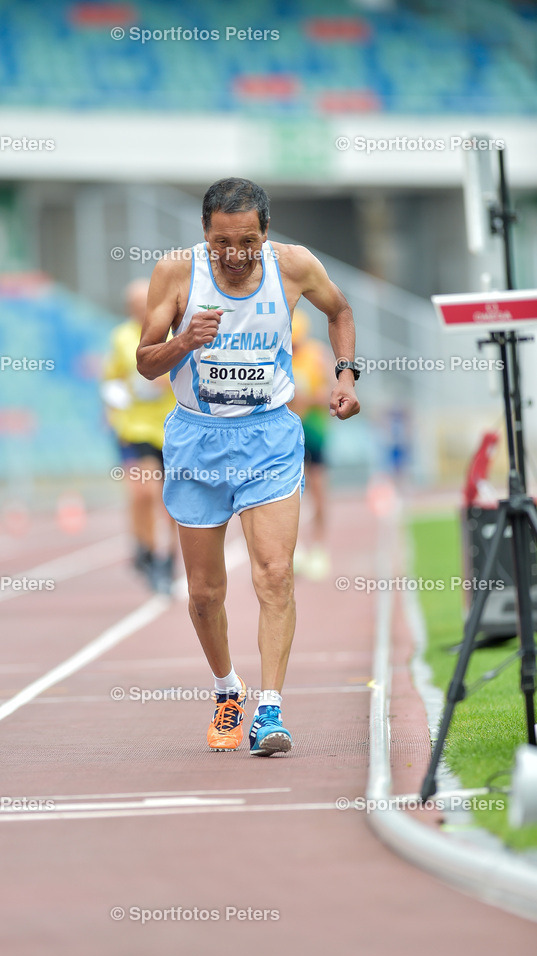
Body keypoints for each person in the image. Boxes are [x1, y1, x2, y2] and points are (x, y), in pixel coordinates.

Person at [136, 178, 359, 755]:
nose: (234, 255)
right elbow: (143, 364)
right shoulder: (176, 273)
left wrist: (346, 375)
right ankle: (226, 692)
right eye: (220, 243)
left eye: (246, 242)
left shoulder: (295, 266)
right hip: (196, 441)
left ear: (266, 232)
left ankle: (270, 711)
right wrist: (184, 341)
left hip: (269, 438)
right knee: (205, 593)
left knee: (274, 576)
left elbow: (341, 311)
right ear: (204, 234)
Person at [101, 279, 177, 594]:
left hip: (172, 426)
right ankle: (148, 551)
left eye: (142, 303)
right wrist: (114, 411)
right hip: (135, 427)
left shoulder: (172, 334)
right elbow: (112, 380)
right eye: (132, 306)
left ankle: (169, 557)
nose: (137, 310)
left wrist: (166, 382)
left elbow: (192, 375)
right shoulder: (120, 337)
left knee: (173, 500)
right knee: (143, 493)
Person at [287, 309, 334, 580]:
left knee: (318, 491)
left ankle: (318, 548)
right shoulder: (278, 357)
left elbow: (331, 391)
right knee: (289, 494)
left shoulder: (317, 354)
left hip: (314, 432)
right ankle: (294, 550)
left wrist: (308, 399)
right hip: (286, 434)